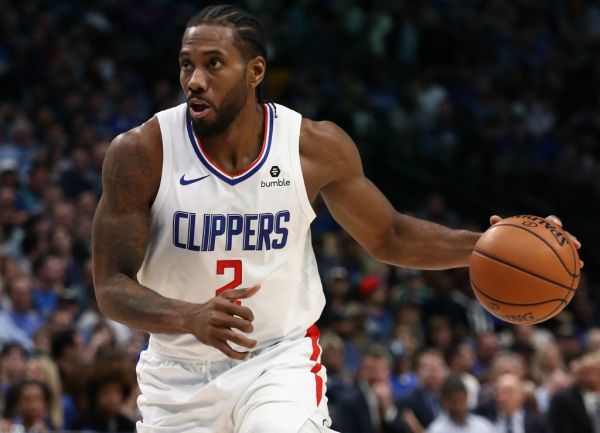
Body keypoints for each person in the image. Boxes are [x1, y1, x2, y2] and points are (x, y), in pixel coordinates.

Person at [90, 4, 582, 433]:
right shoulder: (142, 151)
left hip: (276, 360)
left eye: (213, 64)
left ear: (255, 71)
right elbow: (110, 284)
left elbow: (389, 235)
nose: (194, 80)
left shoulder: (313, 147)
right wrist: (187, 316)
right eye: (186, 65)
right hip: (178, 373)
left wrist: (496, 245)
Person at [426, 375, 494, 433]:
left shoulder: (483, 426)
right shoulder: (436, 430)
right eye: (455, 401)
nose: (459, 405)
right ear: (445, 402)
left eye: (462, 400)